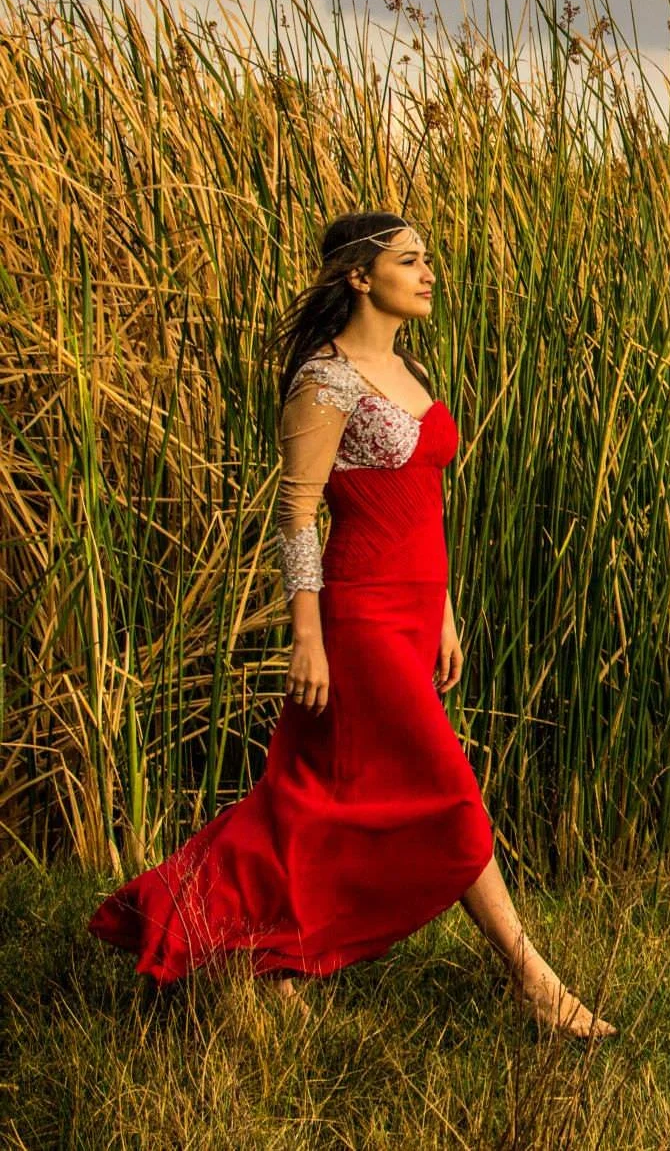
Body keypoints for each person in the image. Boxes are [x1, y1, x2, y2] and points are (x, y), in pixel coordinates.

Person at [85, 211, 616, 1040]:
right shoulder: (325, 381)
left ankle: (248, 946)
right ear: (360, 278)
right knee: (450, 795)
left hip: (413, 614)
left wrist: (443, 612)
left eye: (427, 259)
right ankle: (535, 981)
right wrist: (308, 636)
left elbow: (427, 502)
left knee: (313, 804)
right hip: (359, 616)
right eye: (410, 261)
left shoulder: (405, 368)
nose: (428, 272)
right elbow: (297, 511)